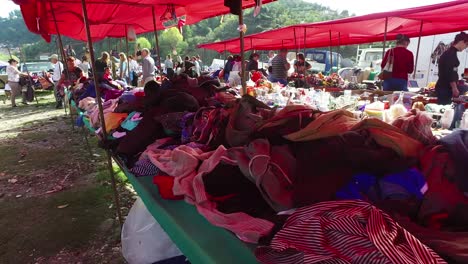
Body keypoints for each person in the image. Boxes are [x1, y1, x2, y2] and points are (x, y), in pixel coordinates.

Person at [435, 32, 468, 104]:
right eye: (466, 44)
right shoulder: (451, 54)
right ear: (462, 41)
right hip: (444, 88)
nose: (466, 47)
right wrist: (454, 88)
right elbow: (450, 72)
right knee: (445, 109)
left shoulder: (451, 53)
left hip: (444, 87)